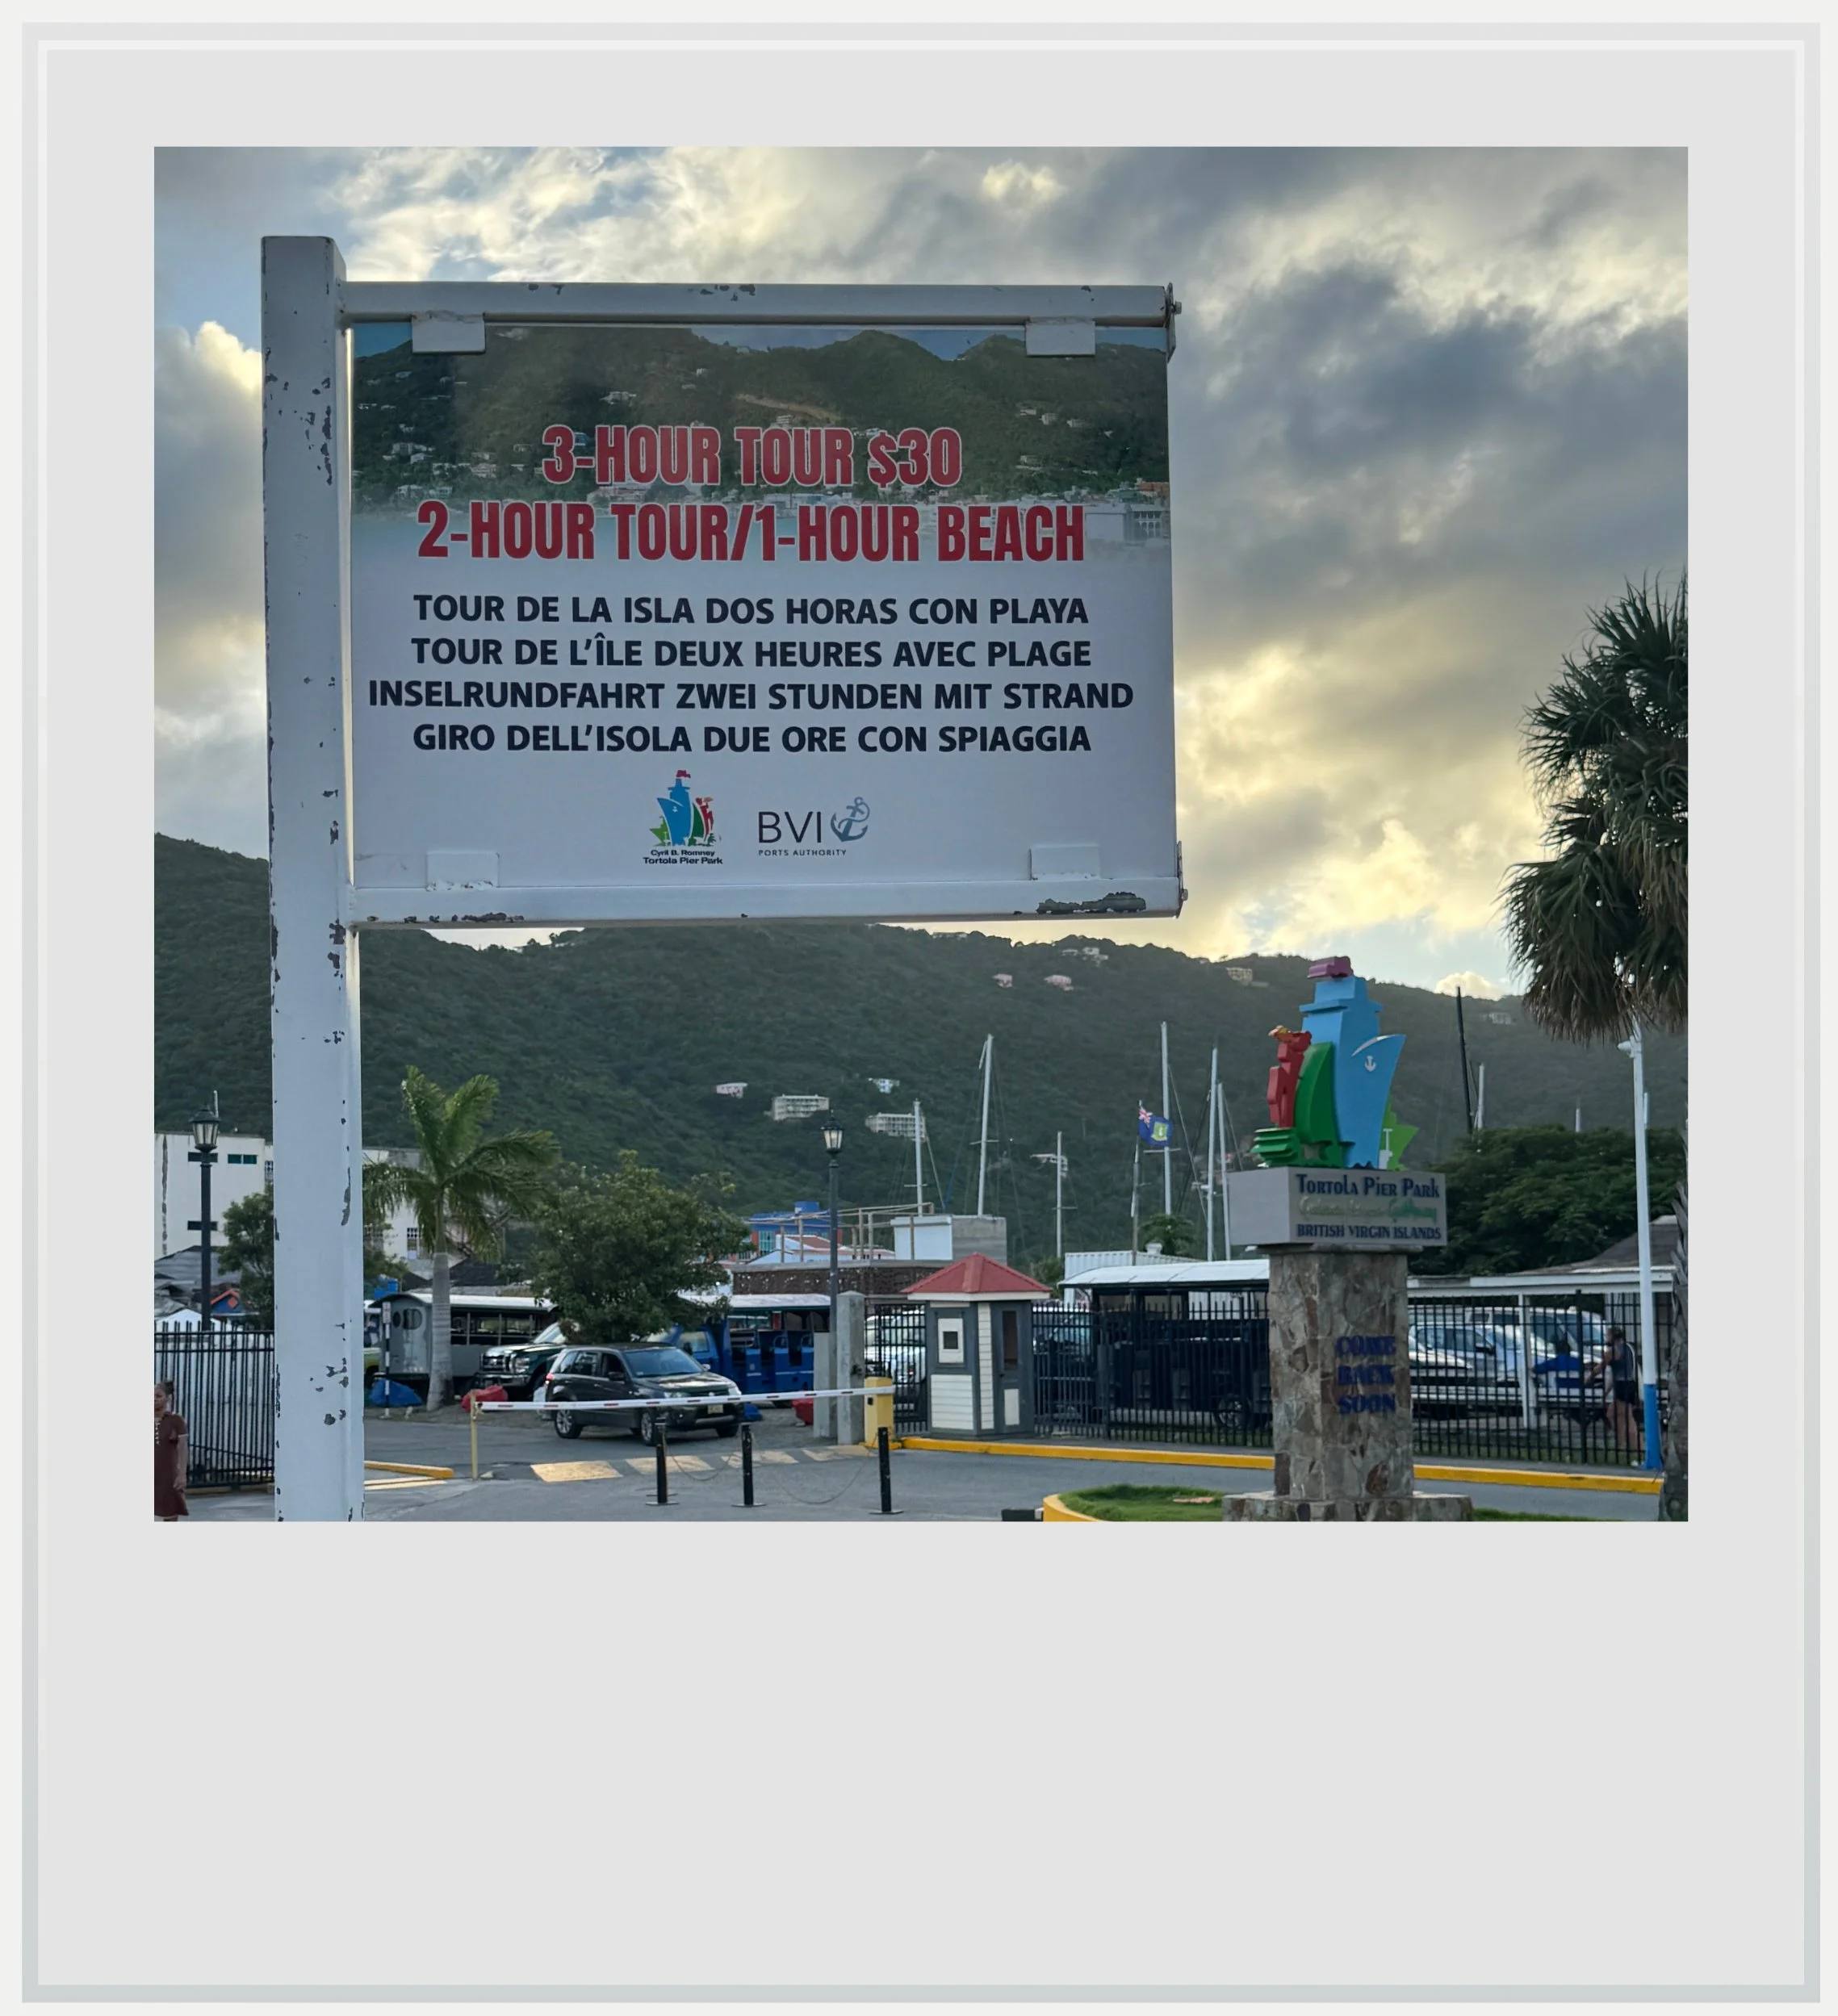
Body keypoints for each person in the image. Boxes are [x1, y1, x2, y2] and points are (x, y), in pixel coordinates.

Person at [1602, 1326, 1642, 1458]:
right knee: (1612, 1414)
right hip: (1627, 1385)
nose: (1606, 1338)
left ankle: (1634, 1446)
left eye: (1607, 1335)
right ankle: (1623, 1442)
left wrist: (1590, 1377)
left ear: (1613, 1337)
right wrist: (1606, 1393)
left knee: (1627, 1418)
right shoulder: (1628, 1348)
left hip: (1623, 1385)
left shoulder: (1616, 1351)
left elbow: (1603, 1369)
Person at [154, 1381, 189, 1520]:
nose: (154, 1399)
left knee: (170, 1511)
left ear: (167, 1399)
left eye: (158, 1396)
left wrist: (182, 1474)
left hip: (167, 1473)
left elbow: (183, 1448)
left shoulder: (175, 1420)